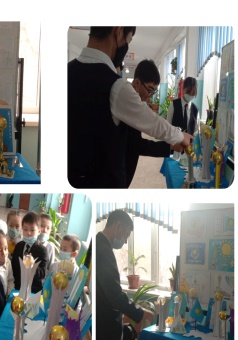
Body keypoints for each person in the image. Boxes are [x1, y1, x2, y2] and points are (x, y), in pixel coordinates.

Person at [68, 27, 192, 188]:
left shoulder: (66, 72)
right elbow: (152, 122)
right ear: (119, 31)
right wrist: (180, 137)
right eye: (128, 40)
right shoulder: (116, 86)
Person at [96, 210, 154, 340]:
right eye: (127, 235)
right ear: (118, 227)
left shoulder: (96, 243)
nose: (126, 241)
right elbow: (114, 294)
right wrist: (140, 312)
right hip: (104, 328)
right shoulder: (104, 251)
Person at [124, 59, 181, 186]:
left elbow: (136, 143)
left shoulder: (137, 104)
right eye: (149, 90)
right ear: (137, 83)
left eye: (153, 92)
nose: (149, 96)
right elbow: (137, 144)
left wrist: (170, 146)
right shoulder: (127, 105)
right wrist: (176, 140)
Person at [12, 212, 48, 294]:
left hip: (33, 291)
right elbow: (14, 266)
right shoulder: (18, 246)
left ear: (39, 231)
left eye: (32, 230)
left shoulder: (42, 250)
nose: (28, 233)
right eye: (25, 229)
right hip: (18, 288)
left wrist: (32, 265)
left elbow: (42, 274)